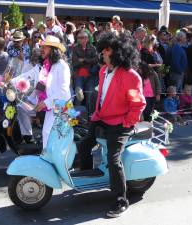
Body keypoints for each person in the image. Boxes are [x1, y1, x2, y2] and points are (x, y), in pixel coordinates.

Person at [78, 32, 146, 218]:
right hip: (102, 118)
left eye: (106, 50)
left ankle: (121, 200)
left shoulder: (131, 76)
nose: (103, 53)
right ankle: (87, 178)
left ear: (118, 52)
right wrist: (96, 115)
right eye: (103, 50)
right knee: (83, 145)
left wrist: (126, 123)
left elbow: (138, 105)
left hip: (120, 123)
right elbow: (102, 97)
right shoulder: (103, 71)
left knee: (113, 158)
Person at [34, 35, 71, 148]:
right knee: (48, 135)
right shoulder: (48, 65)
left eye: (44, 47)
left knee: (55, 139)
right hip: (53, 106)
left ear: (52, 49)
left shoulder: (62, 66)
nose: (41, 49)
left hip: (62, 107)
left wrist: (45, 103)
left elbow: (63, 91)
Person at [72, 30, 98, 116]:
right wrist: (88, 62)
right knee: (78, 95)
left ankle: (89, 117)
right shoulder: (75, 48)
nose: (79, 39)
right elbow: (75, 62)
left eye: (81, 37)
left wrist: (83, 60)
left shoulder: (92, 48)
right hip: (78, 75)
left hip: (90, 75)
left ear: (86, 39)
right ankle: (74, 117)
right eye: (78, 38)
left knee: (89, 95)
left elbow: (96, 60)